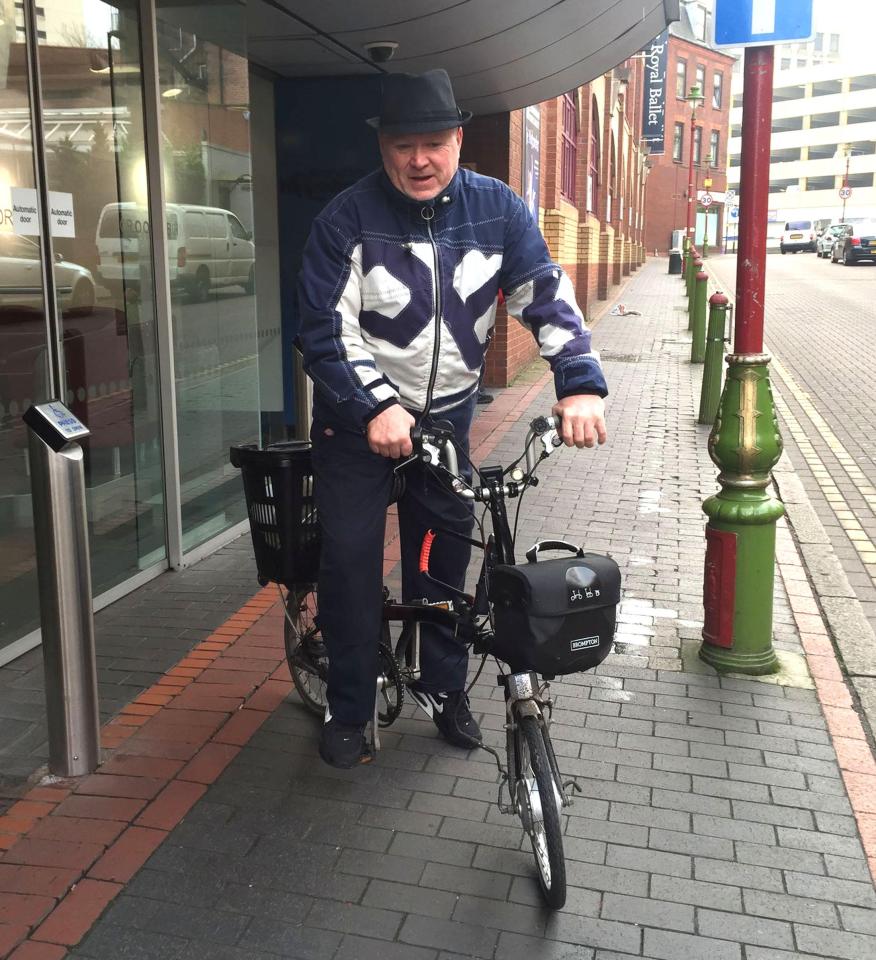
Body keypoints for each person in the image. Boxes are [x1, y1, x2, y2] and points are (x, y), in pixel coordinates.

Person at [297, 69, 608, 769]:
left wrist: (579, 384)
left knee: (439, 570)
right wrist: (374, 404)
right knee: (348, 564)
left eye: (433, 143)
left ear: (458, 139)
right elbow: (321, 329)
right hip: (356, 430)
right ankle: (348, 703)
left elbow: (546, 297)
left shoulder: (498, 211)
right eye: (403, 145)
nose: (419, 160)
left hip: (443, 427)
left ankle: (444, 690)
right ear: (383, 147)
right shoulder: (347, 218)